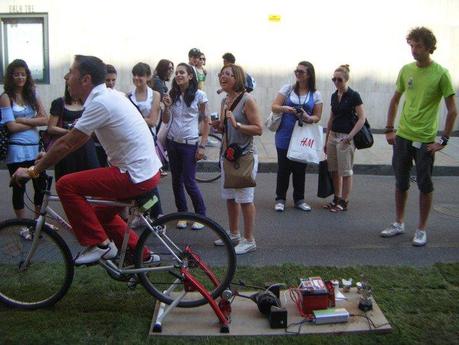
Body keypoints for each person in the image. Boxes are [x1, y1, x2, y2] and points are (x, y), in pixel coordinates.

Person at [12, 55, 163, 265]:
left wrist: (32, 171)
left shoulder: (100, 102)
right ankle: (141, 256)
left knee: (66, 185)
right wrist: (48, 155)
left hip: (134, 174)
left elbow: (69, 143)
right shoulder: (108, 96)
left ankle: (101, 245)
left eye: (71, 72)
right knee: (101, 215)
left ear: (86, 79)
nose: (66, 77)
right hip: (144, 172)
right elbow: (76, 136)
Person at [380, 27, 457, 246]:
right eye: (411, 45)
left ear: (429, 47)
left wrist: (443, 139)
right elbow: (395, 99)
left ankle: (421, 229)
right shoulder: (406, 70)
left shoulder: (441, 74)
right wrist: (388, 128)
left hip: (425, 140)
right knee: (401, 182)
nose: (414, 50)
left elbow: (452, 110)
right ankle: (398, 223)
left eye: (418, 46)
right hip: (403, 136)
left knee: (424, 184)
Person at [212, 64, 262, 255]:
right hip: (228, 155)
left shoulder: (248, 100)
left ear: (237, 78)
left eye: (227, 74)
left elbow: (258, 129)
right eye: (221, 74)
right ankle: (233, 234)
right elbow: (227, 128)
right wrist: (220, 126)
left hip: (245, 156)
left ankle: (249, 240)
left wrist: (237, 124)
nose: (222, 77)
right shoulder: (226, 100)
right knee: (231, 198)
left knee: (245, 200)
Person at [0, 59, 48, 230]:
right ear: (11, 77)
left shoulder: (32, 93)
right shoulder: (6, 98)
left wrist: (22, 119)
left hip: (35, 151)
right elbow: (11, 127)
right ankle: (22, 226)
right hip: (16, 152)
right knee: (19, 189)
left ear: (27, 75)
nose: (20, 77)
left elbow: (45, 119)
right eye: (16, 74)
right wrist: (33, 121)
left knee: (40, 186)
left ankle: (37, 223)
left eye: (23, 74)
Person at [271, 61, 323, 212]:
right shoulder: (287, 89)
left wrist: (308, 117)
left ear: (309, 75)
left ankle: (299, 199)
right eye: (296, 71)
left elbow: (317, 116)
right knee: (283, 168)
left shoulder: (316, 94)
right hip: (284, 135)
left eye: (301, 72)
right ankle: (280, 199)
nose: (298, 74)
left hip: (302, 136)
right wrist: (284, 108)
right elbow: (274, 106)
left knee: (300, 168)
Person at [162, 63, 209, 230]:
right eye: (177, 73)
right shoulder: (172, 94)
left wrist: (202, 146)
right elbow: (166, 120)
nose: (178, 75)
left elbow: (205, 120)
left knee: (189, 181)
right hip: (172, 142)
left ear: (190, 76)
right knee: (176, 181)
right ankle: (182, 213)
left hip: (190, 145)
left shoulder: (199, 95)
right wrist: (166, 107)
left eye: (182, 72)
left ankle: (201, 215)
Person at [323, 64, 366, 212]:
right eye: (333, 79)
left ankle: (344, 201)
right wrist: (326, 138)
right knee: (334, 170)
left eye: (339, 79)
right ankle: (336, 197)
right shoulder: (334, 96)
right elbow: (331, 118)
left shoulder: (354, 96)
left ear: (346, 80)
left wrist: (350, 137)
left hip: (345, 138)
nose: (336, 82)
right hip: (333, 136)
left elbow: (362, 119)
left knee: (346, 171)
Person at [128, 62, 165, 219]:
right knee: (135, 179)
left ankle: (157, 215)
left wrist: (134, 120)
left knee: (149, 178)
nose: (137, 78)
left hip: (147, 140)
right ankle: (142, 214)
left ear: (148, 77)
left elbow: (153, 120)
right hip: (132, 141)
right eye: (135, 75)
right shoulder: (128, 95)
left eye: (141, 75)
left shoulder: (155, 95)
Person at [47, 83, 100, 181]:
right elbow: (51, 128)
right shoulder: (59, 103)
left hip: (86, 146)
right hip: (67, 146)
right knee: (67, 178)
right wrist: (71, 132)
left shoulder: (89, 103)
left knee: (90, 177)